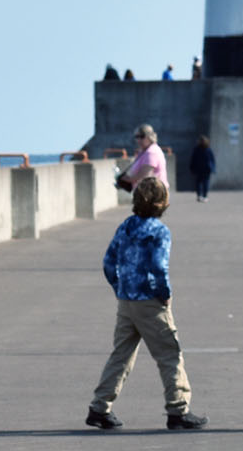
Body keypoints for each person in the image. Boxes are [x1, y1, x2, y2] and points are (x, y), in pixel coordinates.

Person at [88, 176, 207, 431]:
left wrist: (118, 286)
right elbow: (158, 267)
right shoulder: (159, 231)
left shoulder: (127, 225)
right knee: (169, 353)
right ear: (161, 203)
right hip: (149, 301)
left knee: (121, 354)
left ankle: (99, 407)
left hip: (126, 301)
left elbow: (109, 262)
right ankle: (178, 408)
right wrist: (163, 293)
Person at [116, 124, 167, 193]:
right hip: (146, 192)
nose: (138, 140)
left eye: (142, 136)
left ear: (150, 136)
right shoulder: (145, 151)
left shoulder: (151, 152)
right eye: (137, 137)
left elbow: (145, 176)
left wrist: (126, 179)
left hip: (153, 193)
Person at [188, 134, 217, 201]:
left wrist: (192, 167)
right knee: (204, 183)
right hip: (205, 169)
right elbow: (212, 160)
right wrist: (212, 168)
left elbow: (193, 159)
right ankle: (204, 196)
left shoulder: (199, 149)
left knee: (200, 182)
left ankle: (200, 196)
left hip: (201, 169)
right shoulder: (207, 149)